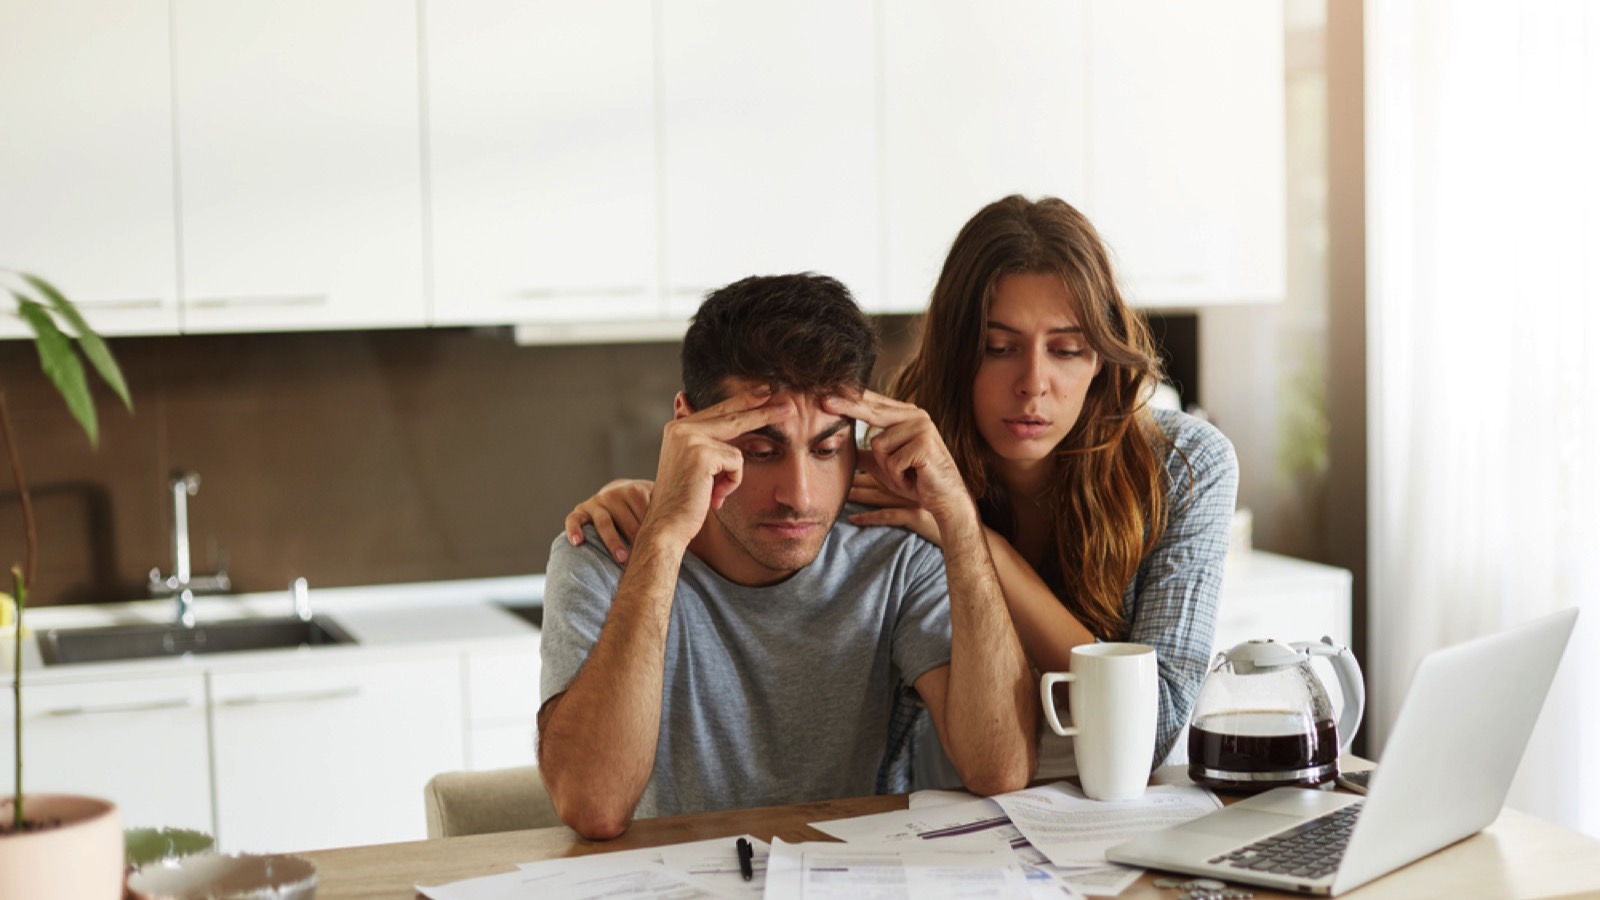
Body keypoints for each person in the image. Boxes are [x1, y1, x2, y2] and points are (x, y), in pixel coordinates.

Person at [565, 196, 1239, 784]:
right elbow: (786, 469)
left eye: (1066, 348)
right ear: (955, 348)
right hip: (951, 815)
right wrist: (656, 502)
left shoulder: (1183, 466)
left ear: (1102, 354)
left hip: (1119, 798)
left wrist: (969, 535)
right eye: (999, 347)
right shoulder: (896, 456)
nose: (1034, 383)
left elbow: (1155, 725)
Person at [538, 273, 1036, 840]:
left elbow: (1001, 771)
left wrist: (959, 520)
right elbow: (593, 805)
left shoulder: (894, 552)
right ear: (686, 426)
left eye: (827, 448)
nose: (799, 495)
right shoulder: (609, 551)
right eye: (760, 450)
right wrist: (663, 540)